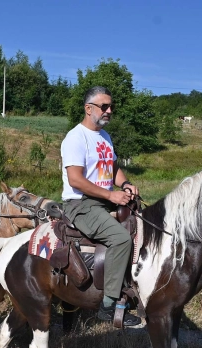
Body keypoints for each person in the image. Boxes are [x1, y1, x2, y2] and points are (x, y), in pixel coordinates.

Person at [60, 86, 141, 327]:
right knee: (121, 239)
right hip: (81, 204)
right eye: (104, 106)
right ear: (88, 108)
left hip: (105, 199)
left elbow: (113, 168)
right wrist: (111, 196)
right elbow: (75, 179)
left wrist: (125, 184)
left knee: (143, 228)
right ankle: (109, 306)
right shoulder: (75, 138)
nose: (109, 111)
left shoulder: (105, 137)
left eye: (111, 107)